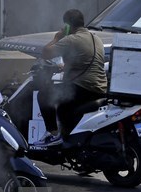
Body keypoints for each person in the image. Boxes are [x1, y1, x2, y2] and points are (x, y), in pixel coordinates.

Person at [33, 9, 107, 146]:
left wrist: (57, 37)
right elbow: (82, 61)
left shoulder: (71, 39)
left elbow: (45, 53)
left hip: (84, 87)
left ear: (68, 25)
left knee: (45, 95)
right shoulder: (96, 38)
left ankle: (53, 134)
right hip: (100, 87)